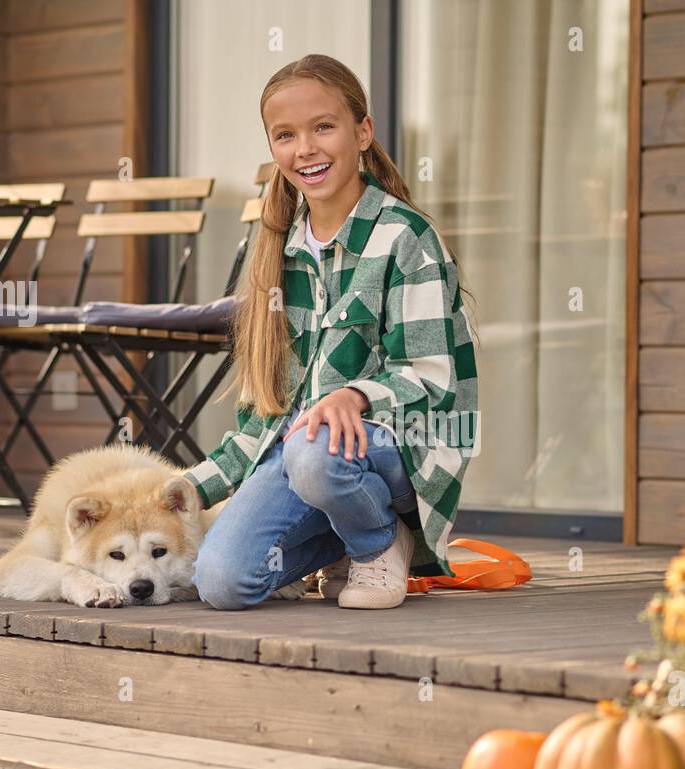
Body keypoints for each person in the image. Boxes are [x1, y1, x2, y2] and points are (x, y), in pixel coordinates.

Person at [184, 53, 480, 611]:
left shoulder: (404, 238)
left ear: (362, 132)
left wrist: (354, 396)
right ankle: (344, 543)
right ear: (272, 148)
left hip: (402, 445)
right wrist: (181, 491)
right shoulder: (278, 250)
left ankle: (378, 542)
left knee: (314, 449)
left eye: (324, 126)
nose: (306, 149)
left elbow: (434, 377)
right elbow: (266, 416)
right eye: (285, 135)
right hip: (308, 455)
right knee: (222, 582)